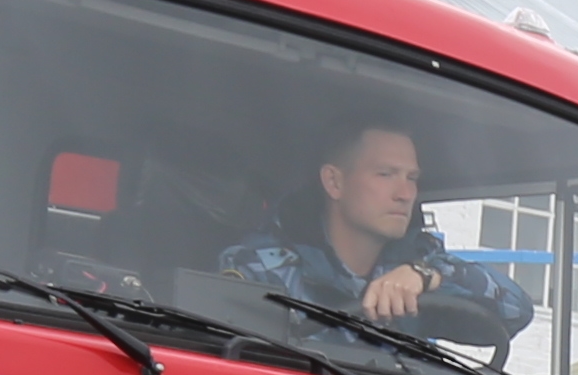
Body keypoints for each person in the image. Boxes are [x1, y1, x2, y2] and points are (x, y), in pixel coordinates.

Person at [221, 116, 537, 350]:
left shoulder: (419, 268)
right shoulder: (258, 270)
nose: (405, 193)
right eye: (386, 175)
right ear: (334, 182)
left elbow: (516, 312)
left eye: (411, 177)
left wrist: (427, 273)